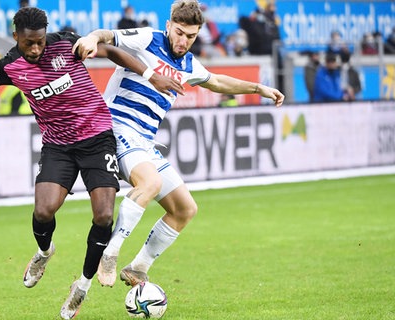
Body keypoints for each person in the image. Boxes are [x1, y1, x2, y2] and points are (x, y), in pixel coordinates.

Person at [0, 6, 183, 319]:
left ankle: (81, 286)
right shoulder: (10, 65)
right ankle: (44, 252)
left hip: (98, 139)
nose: (36, 48)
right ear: (16, 37)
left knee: (104, 215)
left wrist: (151, 76)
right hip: (58, 146)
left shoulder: (66, 43)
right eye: (29, 43)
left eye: (40, 41)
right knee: (43, 211)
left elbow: (110, 50)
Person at [73, 0, 284, 288]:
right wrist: (91, 38)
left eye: (191, 36)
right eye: (180, 33)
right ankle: (108, 253)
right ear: (169, 25)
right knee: (150, 183)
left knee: (185, 209)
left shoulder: (189, 65)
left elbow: (217, 82)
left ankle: (138, 267)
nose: (184, 41)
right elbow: (107, 36)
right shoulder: (149, 39)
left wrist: (258, 88)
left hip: (144, 141)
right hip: (117, 129)